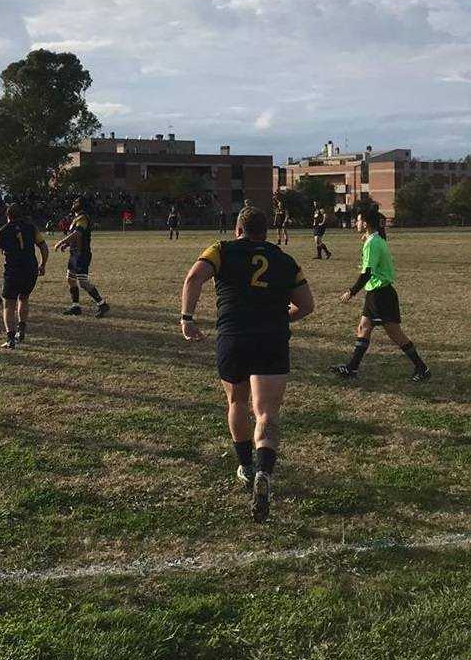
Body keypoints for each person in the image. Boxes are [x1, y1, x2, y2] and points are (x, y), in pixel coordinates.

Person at [180, 205, 314, 523]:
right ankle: (264, 471)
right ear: (266, 233)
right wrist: (282, 318)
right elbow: (306, 305)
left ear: (237, 230)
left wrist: (187, 318)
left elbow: (193, 278)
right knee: (267, 411)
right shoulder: (285, 260)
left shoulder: (221, 250)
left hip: (234, 337)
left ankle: (246, 465)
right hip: (272, 338)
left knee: (237, 401)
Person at [331, 209, 430, 382]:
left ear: (366, 223)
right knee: (364, 327)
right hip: (377, 292)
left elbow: (367, 273)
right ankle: (352, 368)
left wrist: (351, 292)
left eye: (358, 220)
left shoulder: (373, 243)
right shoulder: (375, 239)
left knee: (394, 333)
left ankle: (422, 368)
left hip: (380, 294)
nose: (356, 223)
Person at [0, 203, 49, 349]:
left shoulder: (0, 233)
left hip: (13, 271)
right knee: (24, 298)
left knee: (8, 304)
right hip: (30, 269)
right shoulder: (31, 228)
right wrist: (43, 264)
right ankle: (21, 331)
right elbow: (43, 247)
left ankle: (10, 338)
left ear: (7, 216)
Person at [54, 197, 110, 317]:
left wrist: (61, 242)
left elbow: (78, 233)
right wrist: (67, 244)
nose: (73, 203)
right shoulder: (76, 218)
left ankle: (102, 304)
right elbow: (76, 237)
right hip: (74, 253)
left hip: (81, 254)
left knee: (83, 282)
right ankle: (76, 307)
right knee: (70, 279)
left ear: (82, 205)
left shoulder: (82, 218)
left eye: (76, 202)